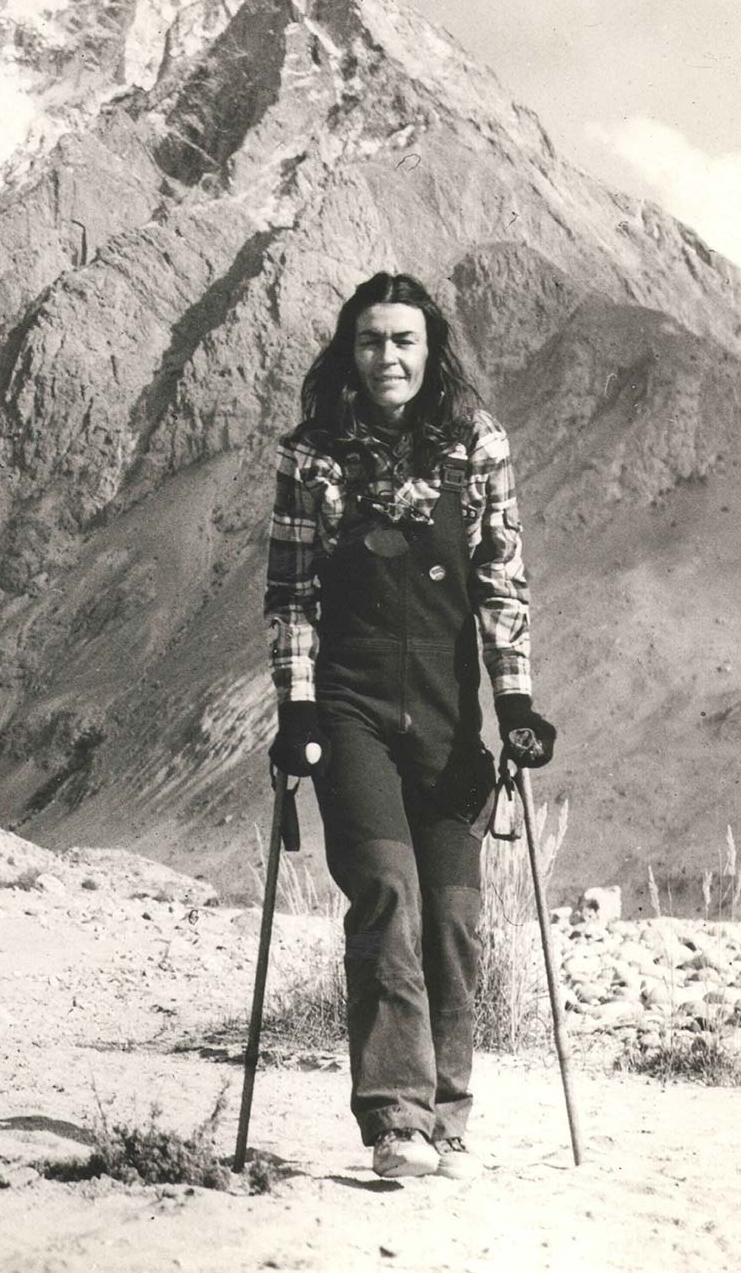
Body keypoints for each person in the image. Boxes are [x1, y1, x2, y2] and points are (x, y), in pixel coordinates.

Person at [263, 271, 557, 1181]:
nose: (386, 356)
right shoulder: (312, 456)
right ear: (347, 351)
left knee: (456, 918)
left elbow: (502, 578)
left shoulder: (477, 446)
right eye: (369, 340)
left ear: (430, 352)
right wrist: (298, 706)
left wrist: (513, 701)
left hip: (446, 719)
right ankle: (397, 1119)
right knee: (386, 890)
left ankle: (448, 1113)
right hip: (349, 713)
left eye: (403, 341)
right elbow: (292, 593)